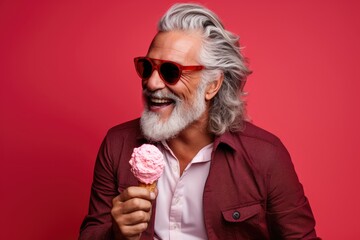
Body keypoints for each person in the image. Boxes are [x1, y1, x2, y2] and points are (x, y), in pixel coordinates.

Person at [79, 3, 319, 240]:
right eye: (147, 67)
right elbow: (91, 233)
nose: (151, 84)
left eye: (171, 71)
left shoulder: (265, 156)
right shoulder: (118, 144)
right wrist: (115, 234)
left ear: (212, 85)